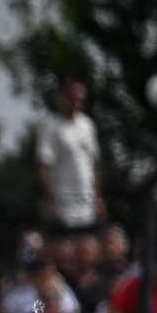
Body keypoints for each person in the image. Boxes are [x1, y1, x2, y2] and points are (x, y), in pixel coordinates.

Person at [36, 79, 99, 237]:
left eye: (80, 100)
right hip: (63, 199)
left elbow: (92, 164)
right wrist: (50, 200)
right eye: (73, 99)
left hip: (86, 199)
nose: (76, 103)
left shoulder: (87, 125)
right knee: (65, 247)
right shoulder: (51, 126)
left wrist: (98, 197)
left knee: (87, 245)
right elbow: (44, 166)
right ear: (63, 98)